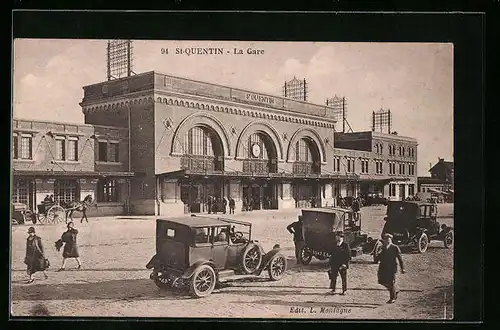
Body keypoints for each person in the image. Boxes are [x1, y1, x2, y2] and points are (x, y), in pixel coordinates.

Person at [374, 233, 406, 303]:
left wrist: (402, 268)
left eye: (389, 239)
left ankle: (392, 298)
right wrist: (378, 253)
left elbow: (400, 259)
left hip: (392, 267)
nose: (387, 241)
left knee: (391, 282)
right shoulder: (381, 248)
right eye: (386, 239)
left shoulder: (395, 247)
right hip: (383, 267)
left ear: (391, 240)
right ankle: (395, 291)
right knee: (382, 281)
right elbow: (376, 259)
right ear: (384, 240)